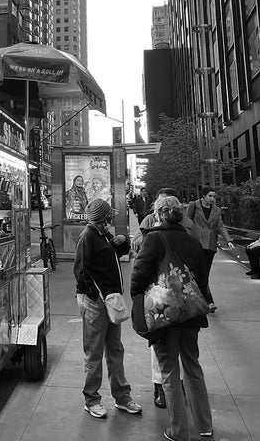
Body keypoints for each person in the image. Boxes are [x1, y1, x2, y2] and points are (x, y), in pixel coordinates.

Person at [131, 196, 213, 441]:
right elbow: (202, 279)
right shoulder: (192, 240)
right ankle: (205, 425)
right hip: (190, 314)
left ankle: (178, 431)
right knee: (193, 366)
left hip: (164, 315)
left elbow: (139, 275)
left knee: (168, 370)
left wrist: (140, 298)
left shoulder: (154, 238)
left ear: (158, 214)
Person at [73, 198, 142, 419]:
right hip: (97, 303)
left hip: (110, 302)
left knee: (115, 349)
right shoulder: (88, 237)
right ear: (104, 219)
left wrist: (122, 241)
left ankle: (122, 397)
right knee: (94, 352)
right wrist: (96, 298)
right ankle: (91, 399)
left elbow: (116, 252)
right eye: (109, 217)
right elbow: (81, 272)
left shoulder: (103, 234)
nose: (111, 219)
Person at [132, 187, 199, 410]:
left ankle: (174, 415)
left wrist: (138, 297)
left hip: (165, 304)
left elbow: (139, 272)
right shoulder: (154, 229)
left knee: (165, 355)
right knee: (188, 358)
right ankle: (201, 420)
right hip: (187, 305)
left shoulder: (164, 233)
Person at [186, 186, 234, 312]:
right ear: (204, 196)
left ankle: (203, 301)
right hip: (196, 243)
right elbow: (187, 222)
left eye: (214, 196)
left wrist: (228, 240)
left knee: (204, 273)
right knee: (199, 273)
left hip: (210, 245)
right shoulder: (194, 205)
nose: (212, 199)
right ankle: (208, 301)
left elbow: (221, 226)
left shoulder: (216, 210)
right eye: (210, 196)